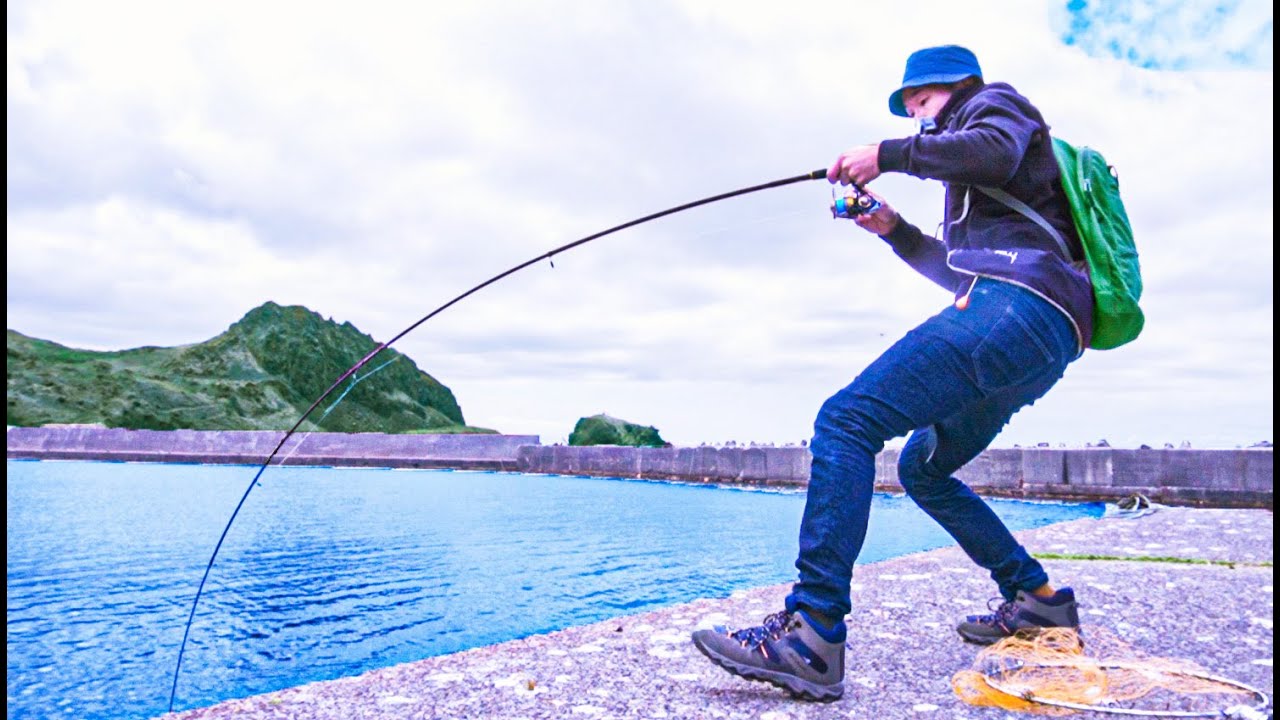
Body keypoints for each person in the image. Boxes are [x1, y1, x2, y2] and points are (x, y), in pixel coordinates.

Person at [691, 44, 1089, 702]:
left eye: (923, 104)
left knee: (845, 421)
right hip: (1040, 336)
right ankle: (1036, 597)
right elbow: (956, 273)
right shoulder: (985, 191)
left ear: (956, 86)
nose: (919, 121)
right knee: (923, 469)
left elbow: (991, 150)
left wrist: (888, 154)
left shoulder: (995, 105)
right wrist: (890, 227)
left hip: (1016, 310)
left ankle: (812, 634)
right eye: (910, 113)